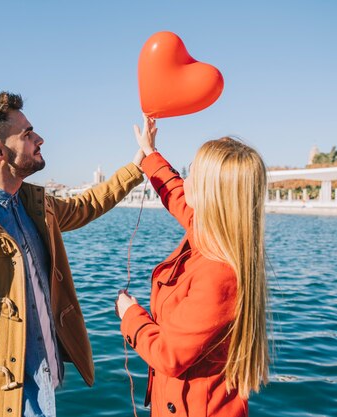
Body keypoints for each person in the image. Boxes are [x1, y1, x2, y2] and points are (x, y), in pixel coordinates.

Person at [0, 91, 145, 417]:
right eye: (27, 134)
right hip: (2, 403)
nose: (40, 138)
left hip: (45, 386)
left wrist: (137, 167)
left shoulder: (36, 206)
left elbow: (87, 205)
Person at [115, 117, 269, 417]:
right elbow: (176, 195)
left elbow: (168, 355)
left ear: (212, 194)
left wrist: (129, 314)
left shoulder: (218, 272)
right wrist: (150, 153)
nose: (185, 180)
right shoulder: (214, 233)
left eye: (193, 175)